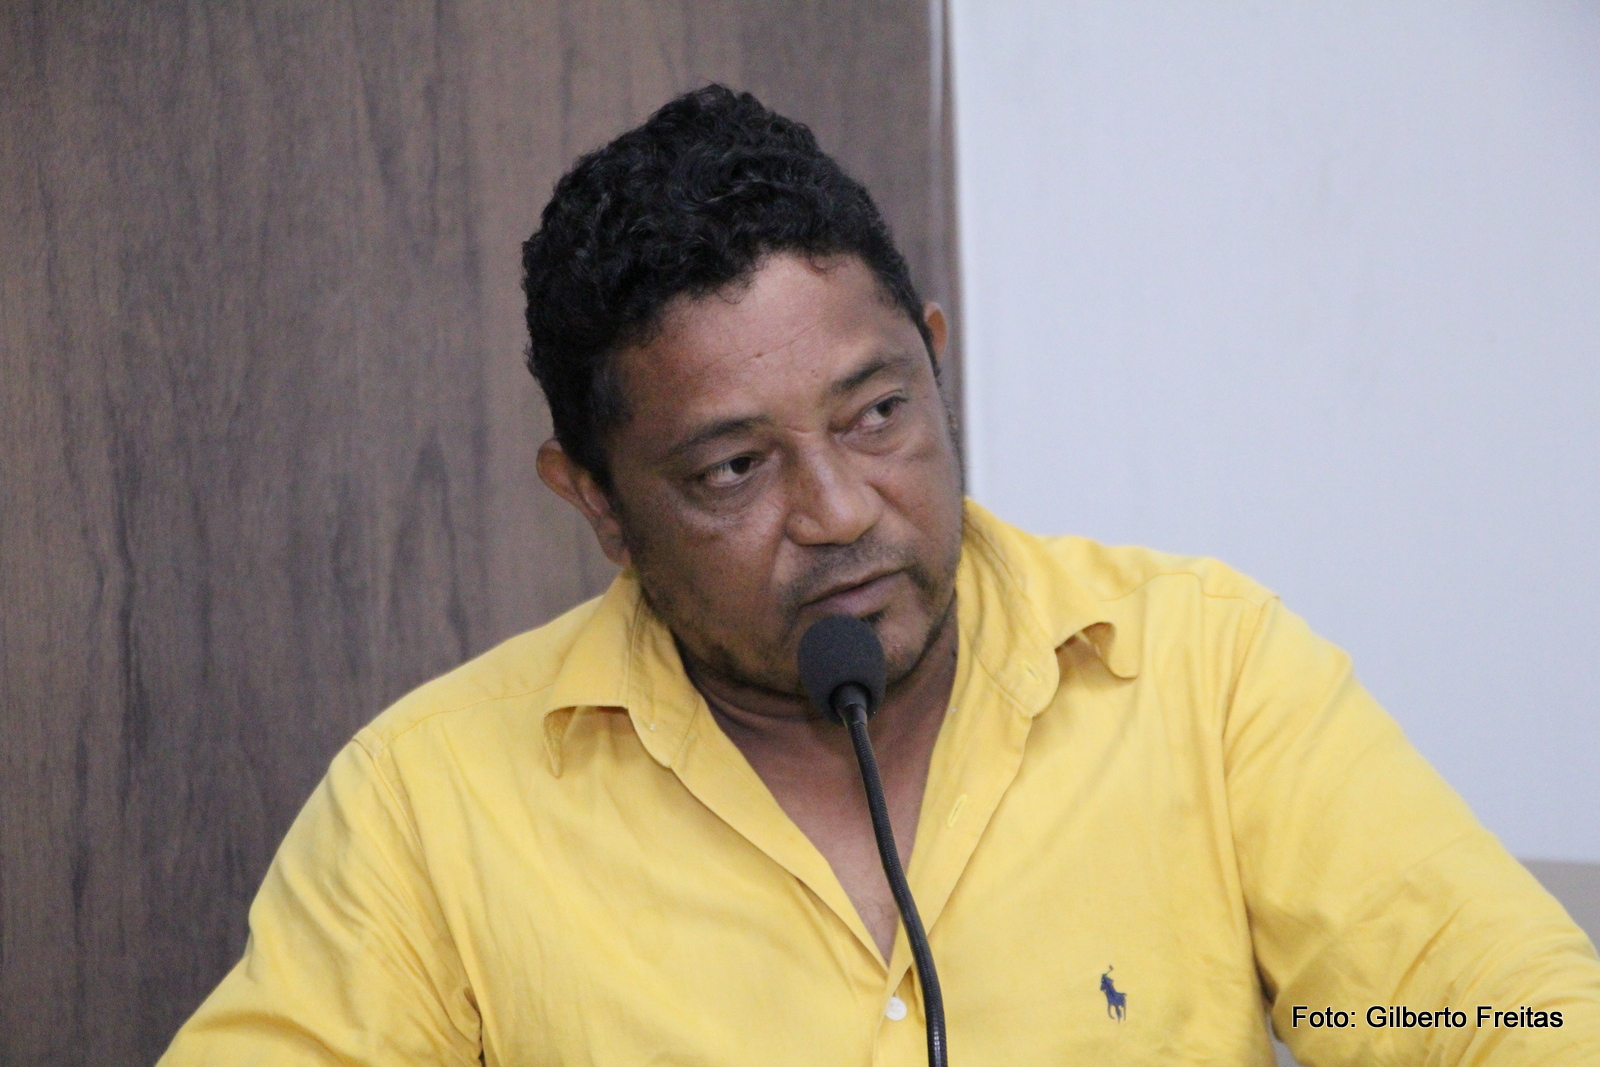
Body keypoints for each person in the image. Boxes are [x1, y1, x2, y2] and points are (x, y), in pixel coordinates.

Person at [158, 85, 1600, 1066]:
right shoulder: (430, 805)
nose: (842, 511)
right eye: (736, 468)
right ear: (596, 501)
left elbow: (1500, 1018)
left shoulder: (1200, 670)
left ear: (935, 357)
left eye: (877, 413)